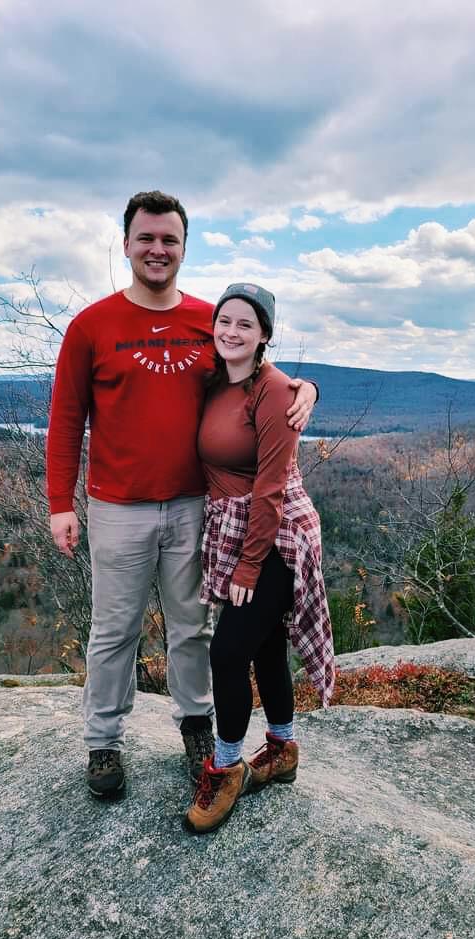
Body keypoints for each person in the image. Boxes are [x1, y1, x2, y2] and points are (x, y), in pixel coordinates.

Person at [46, 191, 318, 799]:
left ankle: (197, 727)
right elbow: (65, 419)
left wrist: (306, 387)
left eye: (169, 239)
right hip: (117, 506)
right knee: (114, 630)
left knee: (191, 627)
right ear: (126, 245)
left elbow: (257, 373)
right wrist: (60, 503)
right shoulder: (93, 326)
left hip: (197, 507)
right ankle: (104, 743)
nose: (157, 249)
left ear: (184, 248)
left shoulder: (207, 320)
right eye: (146, 238)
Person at [184, 282, 334, 834]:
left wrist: (249, 565)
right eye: (225, 321)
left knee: (226, 652)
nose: (231, 331)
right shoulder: (213, 380)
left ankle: (226, 768)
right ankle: (283, 748)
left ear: (265, 334)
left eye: (246, 324)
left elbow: (270, 487)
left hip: (274, 536)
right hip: (232, 527)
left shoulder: (271, 392)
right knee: (266, 643)